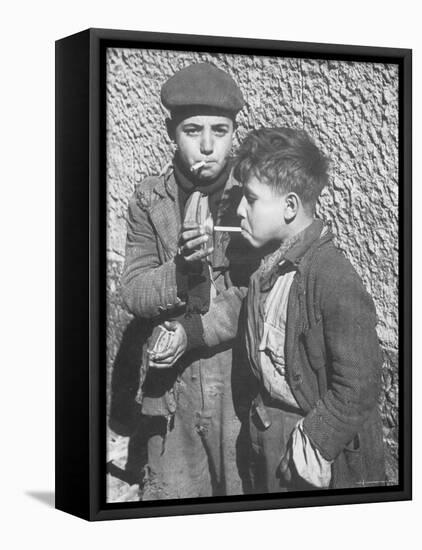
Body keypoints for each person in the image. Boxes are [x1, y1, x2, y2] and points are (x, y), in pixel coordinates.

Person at [120, 62, 258, 500]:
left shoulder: (253, 195)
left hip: (237, 376)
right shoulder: (149, 199)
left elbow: (258, 292)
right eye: (192, 130)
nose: (206, 146)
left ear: (235, 131)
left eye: (220, 131)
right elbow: (133, 291)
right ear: (169, 131)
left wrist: (192, 330)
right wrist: (179, 269)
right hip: (172, 382)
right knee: (172, 498)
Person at [232, 127, 386, 492]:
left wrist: (315, 439)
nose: (239, 209)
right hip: (269, 433)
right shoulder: (266, 267)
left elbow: (361, 384)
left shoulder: (333, 278)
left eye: (250, 199)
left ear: (289, 207)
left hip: (313, 448)